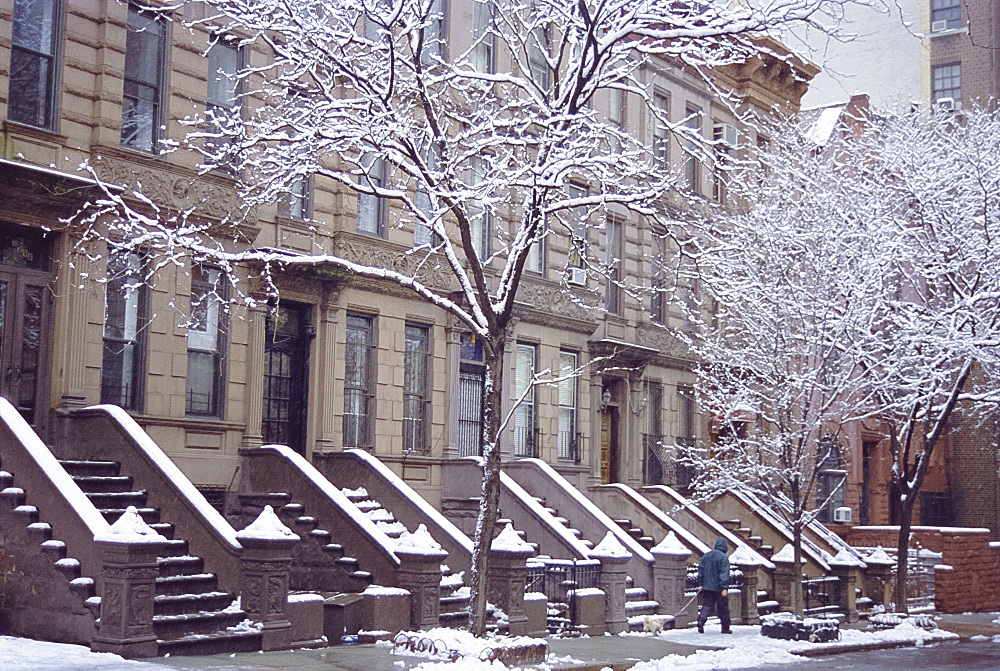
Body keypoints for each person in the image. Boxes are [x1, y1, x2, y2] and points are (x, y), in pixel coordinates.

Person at [696, 537, 732, 634]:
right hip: (719, 588)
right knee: (723, 608)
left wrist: (701, 583)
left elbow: (701, 570)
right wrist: (724, 587)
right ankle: (725, 627)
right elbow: (724, 573)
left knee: (706, 606)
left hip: (707, 587)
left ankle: (701, 620)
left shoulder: (706, 556)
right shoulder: (723, 558)